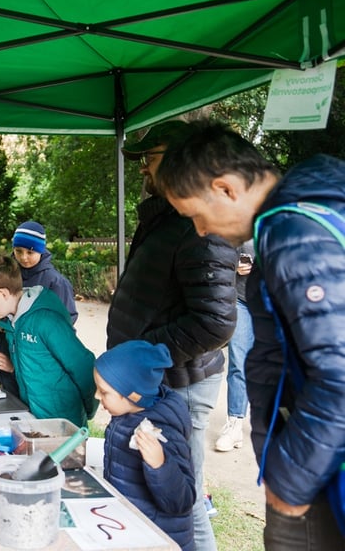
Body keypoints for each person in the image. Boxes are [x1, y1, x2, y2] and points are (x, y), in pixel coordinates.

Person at [154, 119, 345, 550]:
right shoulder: (301, 214)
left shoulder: (297, 234)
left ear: (225, 189)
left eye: (196, 216)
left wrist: (291, 484)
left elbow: (339, 376)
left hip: (322, 468)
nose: (201, 231)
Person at [108, 119, 237, 551]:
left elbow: (216, 322)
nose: (143, 168)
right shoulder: (168, 215)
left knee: (185, 496)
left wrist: (146, 356)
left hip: (179, 384)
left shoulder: (202, 223)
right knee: (158, 491)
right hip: (159, 382)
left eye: (151, 158)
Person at [0, 250, 97, 427]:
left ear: (3, 294)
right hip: (34, 417)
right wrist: (14, 368)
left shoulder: (45, 320)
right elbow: (38, 363)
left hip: (63, 421)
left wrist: (88, 411)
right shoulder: (13, 323)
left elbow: (83, 365)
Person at [94, 340, 196, 551]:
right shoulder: (126, 415)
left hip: (159, 539)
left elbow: (182, 501)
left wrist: (160, 465)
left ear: (133, 395)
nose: (96, 396)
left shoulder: (162, 433)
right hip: (132, 532)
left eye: (103, 392)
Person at [0, 221, 79, 396]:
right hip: (3, 348)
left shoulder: (56, 282)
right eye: (18, 251)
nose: (24, 257)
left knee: (32, 401)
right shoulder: (3, 275)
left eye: (30, 252)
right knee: (6, 397)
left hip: (34, 355)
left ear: (41, 250)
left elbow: (66, 321)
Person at [215, 240, 255, 452]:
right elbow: (218, 258)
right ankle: (234, 424)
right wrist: (234, 266)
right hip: (242, 301)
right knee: (238, 362)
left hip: (274, 304)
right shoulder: (241, 223)